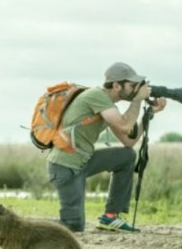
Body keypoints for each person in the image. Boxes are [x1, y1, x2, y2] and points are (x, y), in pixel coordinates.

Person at [47, 62, 167, 232]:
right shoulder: (96, 96)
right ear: (117, 85)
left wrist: (148, 115)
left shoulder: (108, 106)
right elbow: (125, 126)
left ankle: (110, 217)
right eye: (132, 85)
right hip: (64, 166)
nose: (136, 89)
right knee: (73, 225)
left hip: (83, 161)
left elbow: (129, 142)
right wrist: (137, 101)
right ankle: (28, 227)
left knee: (127, 156)